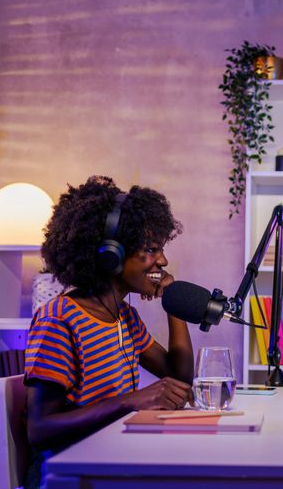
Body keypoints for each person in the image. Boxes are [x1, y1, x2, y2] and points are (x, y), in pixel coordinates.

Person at [23, 176, 194, 488]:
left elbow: (179, 379)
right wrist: (130, 401)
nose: (163, 260)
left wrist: (174, 301)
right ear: (110, 255)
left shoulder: (125, 318)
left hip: (110, 462)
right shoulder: (59, 319)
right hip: (68, 475)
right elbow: (40, 429)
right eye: (151, 249)